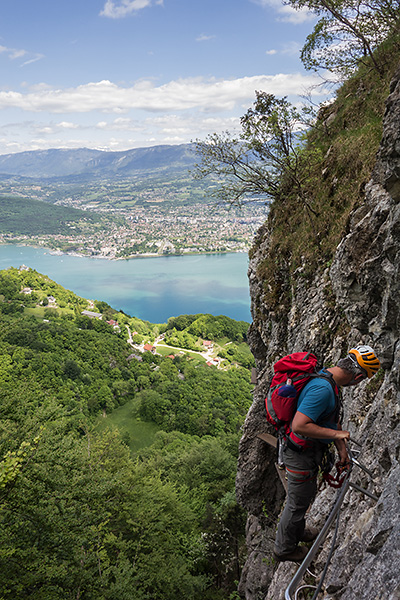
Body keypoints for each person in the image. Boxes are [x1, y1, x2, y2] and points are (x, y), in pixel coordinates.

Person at [273, 345, 381, 562]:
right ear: (357, 376)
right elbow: (299, 425)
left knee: (303, 497)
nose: (358, 384)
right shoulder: (322, 389)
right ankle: (284, 550)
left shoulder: (328, 378)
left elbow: (331, 417)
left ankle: (298, 532)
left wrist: (341, 446)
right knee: (297, 503)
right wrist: (337, 434)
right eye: (361, 379)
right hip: (299, 453)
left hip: (306, 451)